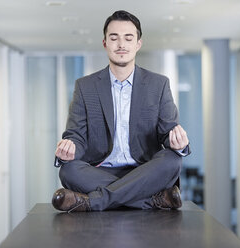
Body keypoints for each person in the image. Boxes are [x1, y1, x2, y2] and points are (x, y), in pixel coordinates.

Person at [52, 10, 190, 212]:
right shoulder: (85, 86)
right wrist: (68, 149)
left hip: (144, 170)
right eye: (114, 38)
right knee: (68, 170)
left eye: (128, 38)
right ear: (105, 43)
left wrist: (178, 143)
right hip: (99, 171)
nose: (121, 45)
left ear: (138, 43)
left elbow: (168, 132)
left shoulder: (158, 84)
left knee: (172, 160)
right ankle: (152, 200)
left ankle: (92, 202)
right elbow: (76, 136)